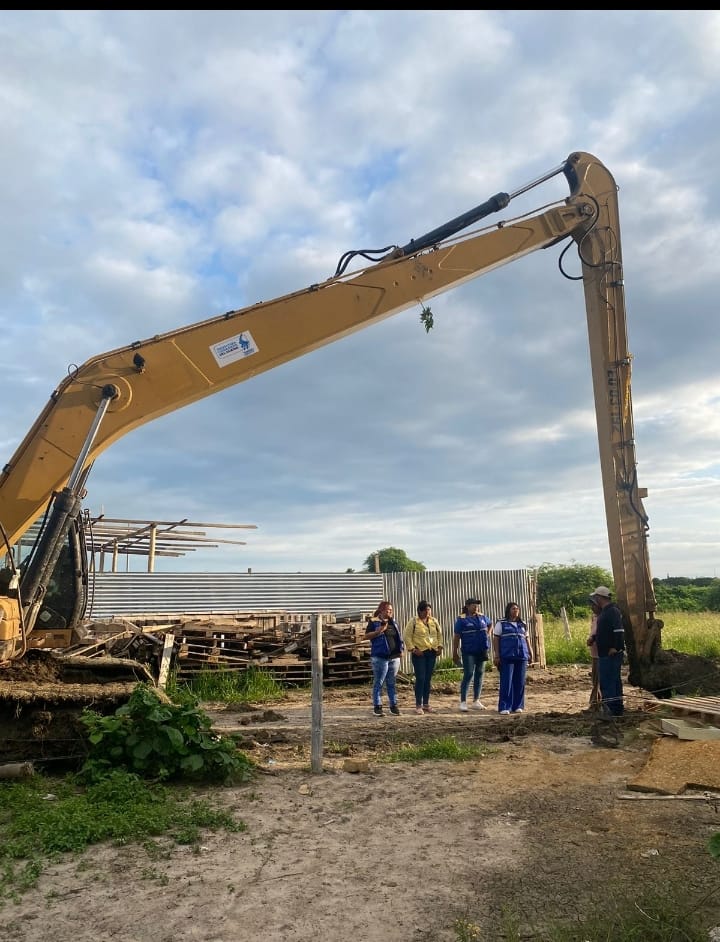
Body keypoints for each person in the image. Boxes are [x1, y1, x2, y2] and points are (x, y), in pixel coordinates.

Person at [589, 585, 625, 717]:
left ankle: (611, 710)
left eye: (596, 597)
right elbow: (605, 631)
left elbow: (619, 631)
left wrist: (615, 647)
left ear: (599, 597)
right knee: (611, 681)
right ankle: (615, 709)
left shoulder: (612, 611)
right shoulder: (605, 612)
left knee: (609, 682)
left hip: (611, 653)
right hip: (605, 652)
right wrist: (594, 638)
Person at [492, 601, 533, 714]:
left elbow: (527, 639)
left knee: (520, 682)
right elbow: (496, 639)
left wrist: (530, 653)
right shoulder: (501, 623)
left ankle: (518, 705)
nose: (516, 610)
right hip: (507, 656)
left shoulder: (523, 624)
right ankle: (505, 706)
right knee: (507, 682)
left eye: (517, 609)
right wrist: (497, 655)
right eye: (513, 609)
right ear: (508, 611)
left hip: (522, 656)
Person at [403, 600, 443, 715]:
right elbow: (406, 636)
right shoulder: (413, 622)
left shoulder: (434, 621)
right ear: (419, 611)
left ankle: (426, 704)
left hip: (432, 652)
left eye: (429, 610)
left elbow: (439, 634)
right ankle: (418, 705)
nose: (427, 612)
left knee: (427, 679)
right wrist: (413, 649)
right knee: (420, 678)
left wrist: (440, 646)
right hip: (419, 653)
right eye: (425, 610)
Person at [452, 597, 492, 711]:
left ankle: (476, 700)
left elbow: (490, 624)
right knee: (469, 673)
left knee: (480, 673)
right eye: (474, 605)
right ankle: (463, 702)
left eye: (477, 605)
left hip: (482, 650)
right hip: (469, 651)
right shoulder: (462, 620)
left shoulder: (482, 617)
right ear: (468, 606)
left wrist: (487, 634)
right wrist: (455, 652)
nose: (476, 607)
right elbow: (456, 637)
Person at [365, 600, 404, 716]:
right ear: (381, 611)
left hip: (394, 657)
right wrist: (378, 631)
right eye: (388, 610)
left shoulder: (393, 622)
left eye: (391, 610)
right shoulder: (374, 622)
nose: (390, 612)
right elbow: (366, 636)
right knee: (379, 682)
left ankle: (393, 706)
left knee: (391, 682)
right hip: (380, 657)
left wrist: (401, 649)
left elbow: (398, 637)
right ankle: (377, 706)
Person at [586, 599, 601, 708]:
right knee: (595, 678)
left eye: (594, 605)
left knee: (599, 678)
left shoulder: (603, 617)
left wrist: (592, 638)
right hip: (595, 652)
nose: (592, 607)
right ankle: (595, 702)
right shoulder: (594, 617)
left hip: (601, 653)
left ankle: (595, 703)